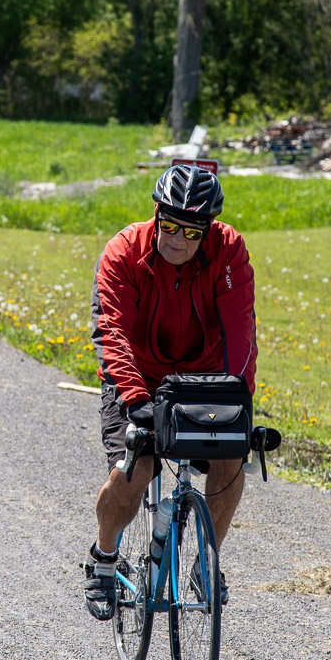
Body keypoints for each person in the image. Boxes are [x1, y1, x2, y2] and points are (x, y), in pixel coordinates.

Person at [82, 163, 255, 621]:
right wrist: (137, 401)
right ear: (156, 214)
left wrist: (239, 398)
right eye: (169, 225)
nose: (177, 239)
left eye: (191, 230)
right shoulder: (123, 251)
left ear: (209, 229)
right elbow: (112, 331)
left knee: (230, 457)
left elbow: (241, 332)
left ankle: (205, 563)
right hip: (135, 373)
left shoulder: (228, 251)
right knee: (135, 469)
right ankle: (103, 558)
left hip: (201, 378)